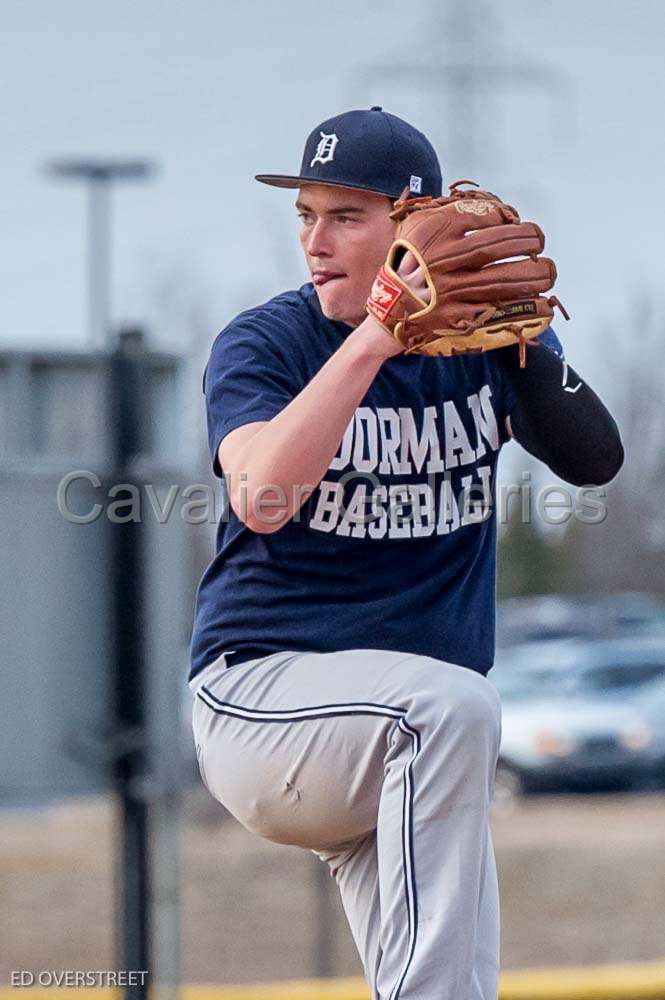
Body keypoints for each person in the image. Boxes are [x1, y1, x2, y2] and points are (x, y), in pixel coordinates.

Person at [188, 108, 623, 1000]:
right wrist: (377, 335)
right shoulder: (266, 344)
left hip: (400, 737)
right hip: (265, 705)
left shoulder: (477, 347)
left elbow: (593, 460)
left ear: (415, 224)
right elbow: (263, 498)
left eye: (346, 216)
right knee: (455, 711)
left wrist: (528, 343)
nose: (315, 240)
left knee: (454, 976)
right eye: (305, 215)